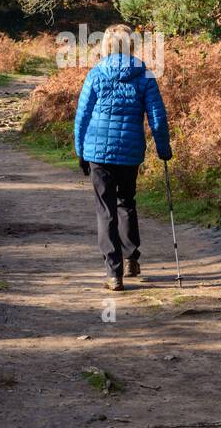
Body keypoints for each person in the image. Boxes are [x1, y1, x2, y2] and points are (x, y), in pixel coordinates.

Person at [73, 24, 171, 290]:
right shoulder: (144, 76)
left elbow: (82, 116)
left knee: (105, 210)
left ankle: (113, 273)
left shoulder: (96, 74)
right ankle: (131, 259)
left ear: (105, 46)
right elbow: (158, 119)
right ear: (130, 45)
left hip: (97, 152)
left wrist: (80, 149)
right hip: (129, 152)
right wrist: (163, 148)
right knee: (126, 202)